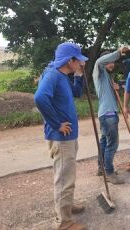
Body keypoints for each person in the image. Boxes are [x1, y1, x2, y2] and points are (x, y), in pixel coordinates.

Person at [34, 42, 88, 230]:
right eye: (79, 60)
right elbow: (39, 98)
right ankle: (64, 222)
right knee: (64, 178)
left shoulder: (63, 75)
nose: (81, 63)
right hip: (61, 137)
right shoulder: (53, 74)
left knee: (67, 175)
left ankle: (67, 206)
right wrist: (56, 123)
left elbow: (76, 93)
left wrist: (80, 76)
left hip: (68, 136)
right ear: (70, 60)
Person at [92, 47, 129, 184]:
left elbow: (108, 95)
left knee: (104, 142)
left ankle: (102, 168)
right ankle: (109, 172)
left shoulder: (107, 76)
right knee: (112, 144)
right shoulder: (99, 71)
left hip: (107, 114)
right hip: (108, 115)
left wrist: (115, 90)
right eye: (110, 61)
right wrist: (118, 53)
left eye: (113, 61)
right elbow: (99, 62)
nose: (112, 64)